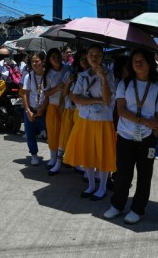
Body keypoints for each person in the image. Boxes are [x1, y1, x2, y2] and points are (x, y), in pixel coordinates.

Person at [103, 49, 158, 224]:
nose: (138, 63)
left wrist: (154, 132)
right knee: (122, 173)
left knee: (145, 174)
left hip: (147, 138)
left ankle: (138, 209)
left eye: (142, 60)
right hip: (125, 135)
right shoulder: (125, 84)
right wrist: (145, 121)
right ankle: (117, 205)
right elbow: (122, 110)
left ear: (150, 63)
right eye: (134, 61)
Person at [64, 44, 117, 201]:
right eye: (91, 55)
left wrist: (102, 78)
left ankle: (102, 187)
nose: (94, 58)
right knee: (87, 151)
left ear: (102, 57)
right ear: (86, 57)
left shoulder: (109, 74)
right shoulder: (83, 75)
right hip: (86, 119)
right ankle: (91, 185)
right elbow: (75, 97)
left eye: (98, 55)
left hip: (103, 120)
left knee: (103, 153)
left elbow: (107, 100)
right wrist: (96, 100)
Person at [42, 49, 67, 174]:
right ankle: (53, 158)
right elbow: (46, 93)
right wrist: (58, 88)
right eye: (53, 57)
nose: (56, 59)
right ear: (49, 60)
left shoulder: (68, 69)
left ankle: (67, 158)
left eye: (58, 56)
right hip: (53, 106)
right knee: (53, 133)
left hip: (67, 107)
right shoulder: (48, 74)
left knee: (66, 132)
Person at [22, 51, 46, 166]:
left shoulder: (47, 75)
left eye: (37, 61)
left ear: (43, 61)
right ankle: (34, 155)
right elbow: (25, 94)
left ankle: (54, 156)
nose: (35, 64)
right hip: (31, 108)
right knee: (30, 133)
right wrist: (28, 111)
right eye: (32, 62)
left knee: (49, 132)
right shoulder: (28, 76)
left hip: (45, 109)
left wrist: (42, 109)